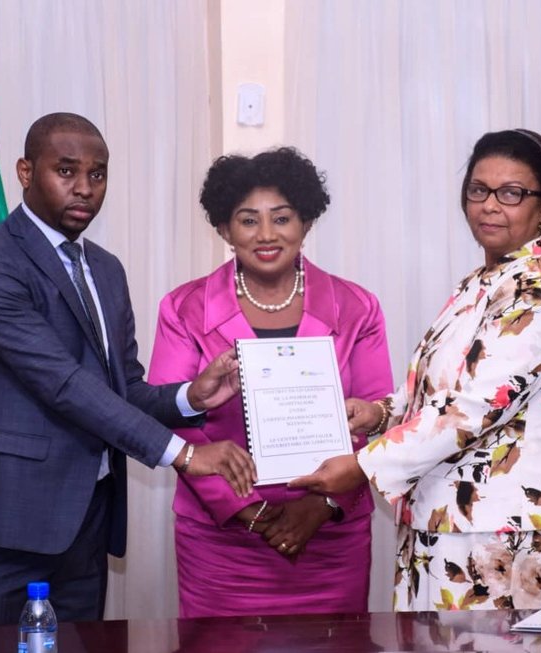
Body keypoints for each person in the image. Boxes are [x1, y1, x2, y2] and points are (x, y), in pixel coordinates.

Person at [0, 112, 256, 626]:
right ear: (25, 172)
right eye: (66, 171)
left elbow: (121, 387)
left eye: (97, 174)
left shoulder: (105, 268)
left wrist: (190, 397)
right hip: (2, 522)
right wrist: (184, 453)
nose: (84, 188)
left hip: (85, 523)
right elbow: (63, 383)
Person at [291, 129, 541, 611]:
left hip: (507, 527)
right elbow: (447, 388)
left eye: (511, 193)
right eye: (479, 190)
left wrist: (363, 465)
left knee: (483, 645)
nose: (489, 205)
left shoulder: (537, 293)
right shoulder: (486, 281)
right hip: (452, 517)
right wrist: (379, 413)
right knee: (430, 641)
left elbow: (471, 408)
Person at [147, 147, 394, 617]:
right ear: (224, 229)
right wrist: (247, 510)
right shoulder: (184, 308)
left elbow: (376, 417)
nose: (266, 234)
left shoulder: (357, 307)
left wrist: (324, 503)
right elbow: (169, 416)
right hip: (221, 541)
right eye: (248, 220)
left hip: (330, 536)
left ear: (306, 222)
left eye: (281, 218)